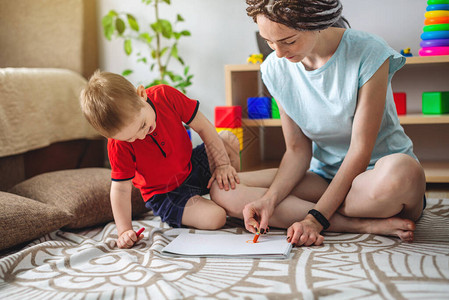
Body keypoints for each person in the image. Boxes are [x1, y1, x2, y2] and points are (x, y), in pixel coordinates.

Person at [210, 0, 426, 247]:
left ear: (317, 23)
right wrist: (269, 200)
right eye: (269, 42)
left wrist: (314, 218)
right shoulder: (275, 68)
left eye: (288, 41)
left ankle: (318, 211)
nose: (278, 53)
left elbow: (360, 152)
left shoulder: (368, 51)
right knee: (223, 188)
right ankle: (359, 224)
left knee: (404, 172)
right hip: (323, 179)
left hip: (375, 178)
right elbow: (297, 151)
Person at [80, 71, 240, 248]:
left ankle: (231, 188)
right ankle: (219, 199)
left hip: (192, 165)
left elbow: (204, 128)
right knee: (216, 217)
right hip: (166, 195)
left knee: (228, 139)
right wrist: (124, 230)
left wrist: (223, 165)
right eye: (130, 138)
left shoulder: (165, 95)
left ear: (141, 95)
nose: (141, 136)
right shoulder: (118, 144)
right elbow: (121, 189)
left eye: (142, 125)